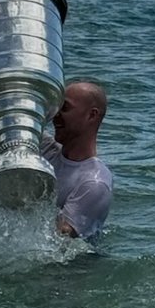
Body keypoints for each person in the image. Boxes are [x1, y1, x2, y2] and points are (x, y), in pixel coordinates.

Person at [40, 80, 113, 241]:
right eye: (56, 108)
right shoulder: (47, 150)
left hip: (74, 266)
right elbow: (12, 122)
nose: (55, 115)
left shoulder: (94, 183)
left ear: (91, 115)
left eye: (64, 108)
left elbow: (58, 241)